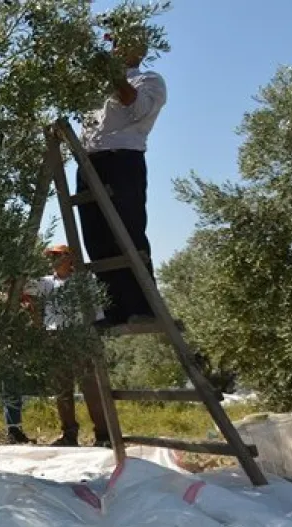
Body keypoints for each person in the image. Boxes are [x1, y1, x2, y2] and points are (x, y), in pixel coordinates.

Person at [77, 32, 167, 329]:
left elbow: (133, 104)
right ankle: (114, 309)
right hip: (90, 162)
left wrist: (113, 74)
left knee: (127, 231)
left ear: (139, 51)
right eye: (116, 45)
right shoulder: (97, 86)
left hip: (123, 160)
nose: (118, 49)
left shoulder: (150, 81)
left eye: (124, 44)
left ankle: (144, 307)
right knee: (96, 237)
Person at [26, 245, 111, 447]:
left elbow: (97, 311)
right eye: (50, 256)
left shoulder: (85, 281)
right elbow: (24, 287)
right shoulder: (47, 283)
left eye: (56, 255)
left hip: (80, 335)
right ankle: (69, 435)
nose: (51, 260)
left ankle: (104, 435)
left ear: (68, 257)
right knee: (62, 388)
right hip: (55, 336)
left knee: (90, 387)